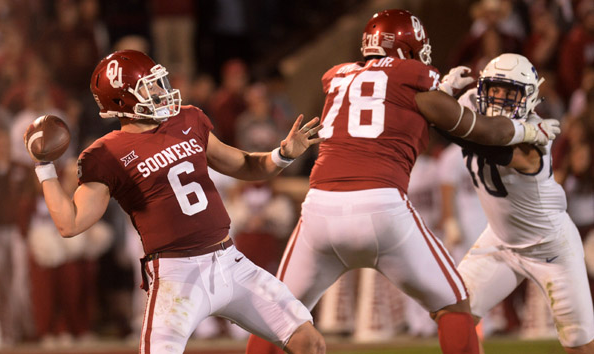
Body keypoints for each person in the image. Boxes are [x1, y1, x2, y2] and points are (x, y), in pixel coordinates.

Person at [245, 9, 560, 354]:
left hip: (319, 208)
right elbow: (482, 130)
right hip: (381, 207)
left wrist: (439, 89)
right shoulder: (414, 78)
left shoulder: (339, 79)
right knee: (453, 305)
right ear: (408, 49)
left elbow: (381, 97)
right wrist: (528, 129)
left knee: (276, 314)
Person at [26, 49, 326, 354]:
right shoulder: (106, 153)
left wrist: (283, 155)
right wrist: (44, 168)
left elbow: (245, 165)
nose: (161, 90)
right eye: (148, 86)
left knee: (309, 342)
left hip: (229, 261)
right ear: (122, 100)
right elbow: (70, 223)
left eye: (158, 82)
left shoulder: (188, 118)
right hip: (175, 275)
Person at [448, 53, 594, 353]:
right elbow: (431, 113)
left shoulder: (539, 134)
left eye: (510, 92)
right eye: (495, 90)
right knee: (451, 314)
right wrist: (442, 93)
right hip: (500, 241)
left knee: (579, 346)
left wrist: (445, 110)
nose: (500, 100)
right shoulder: (471, 105)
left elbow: (487, 142)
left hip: (551, 247)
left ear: (529, 98)